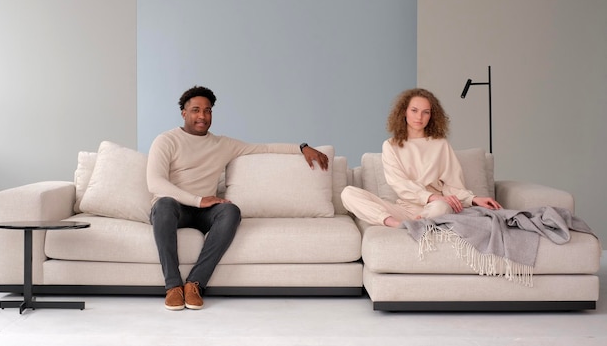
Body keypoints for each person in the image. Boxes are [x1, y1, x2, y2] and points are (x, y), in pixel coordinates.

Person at [146, 85, 329, 311]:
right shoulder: (166, 140)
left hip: (204, 211)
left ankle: (194, 284)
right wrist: (197, 199)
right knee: (164, 203)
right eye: (195, 110)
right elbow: (155, 182)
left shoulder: (222, 144)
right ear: (184, 113)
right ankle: (173, 286)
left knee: (231, 210)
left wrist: (302, 147)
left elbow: (265, 148)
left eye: (208, 110)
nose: (202, 116)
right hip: (174, 209)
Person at [341, 88, 501, 228]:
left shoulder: (440, 144)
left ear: (432, 115)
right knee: (348, 193)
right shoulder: (390, 145)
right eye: (414, 110)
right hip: (404, 210)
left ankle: (419, 225)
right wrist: (430, 196)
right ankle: (398, 225)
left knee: (441, 207)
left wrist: (474, 199)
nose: (420, 117)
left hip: (434, 208)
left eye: (426, 112)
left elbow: (452, 186)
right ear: (404, 111)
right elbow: (400, 184)